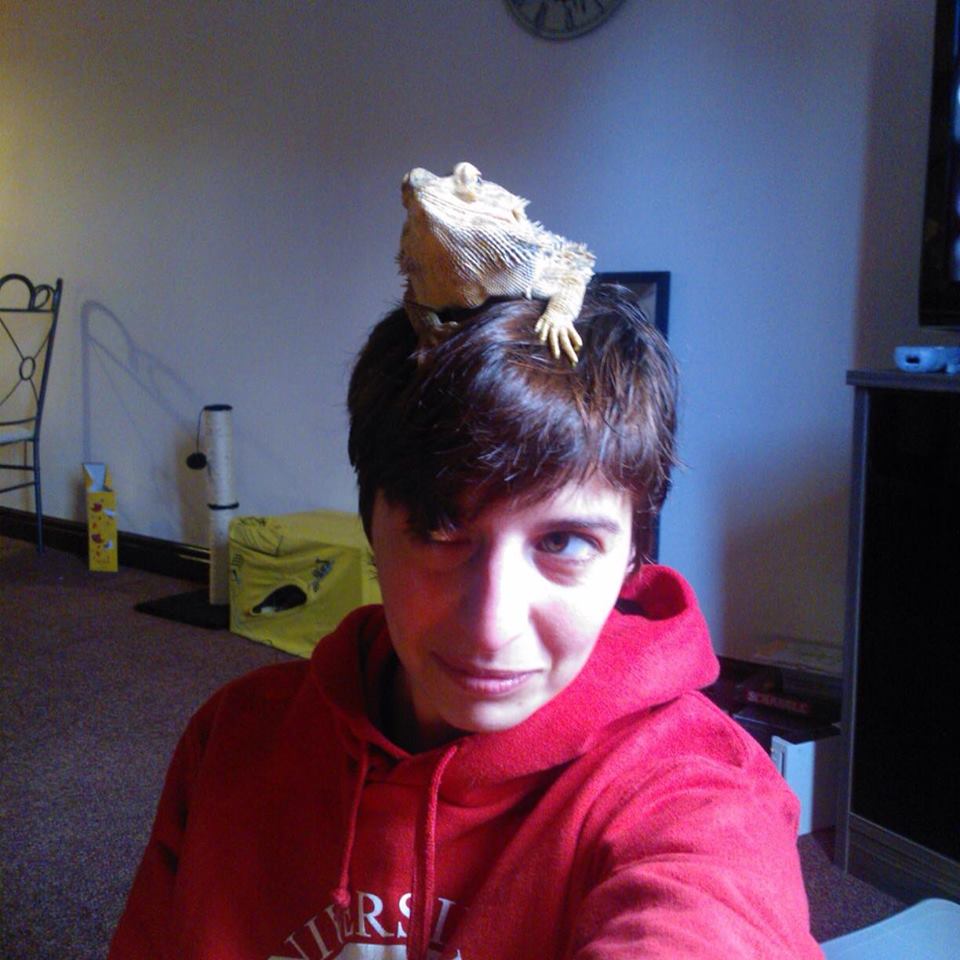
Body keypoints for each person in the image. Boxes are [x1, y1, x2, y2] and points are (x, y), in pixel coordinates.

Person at [109, 287, 823, 959]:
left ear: (633, 554)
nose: (491, 627)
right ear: (371, 527)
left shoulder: (698, 792)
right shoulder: (231, 738)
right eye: (439, 530)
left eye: (563, 542)